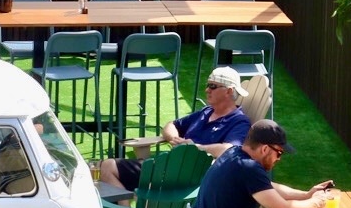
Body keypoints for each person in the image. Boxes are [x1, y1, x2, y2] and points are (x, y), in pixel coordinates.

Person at [95, 65, 253, 195]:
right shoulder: (205, 112)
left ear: (229, 91)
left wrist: (195, 148)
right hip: (168, 167)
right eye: (207, 85)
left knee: (103, 168)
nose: (207, 90)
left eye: (212, 86)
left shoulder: (239, 121)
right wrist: (174, 138)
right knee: (105, 167)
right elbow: (171, 125)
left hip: (187, 175)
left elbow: (230, 149)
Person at [195, 120, 332, 208]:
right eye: (279, 153)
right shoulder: (249, 168)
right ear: (265, 149)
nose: (279, 159)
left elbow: (267, 187)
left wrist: (307, 195)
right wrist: (316, 202)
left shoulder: (233, 153)